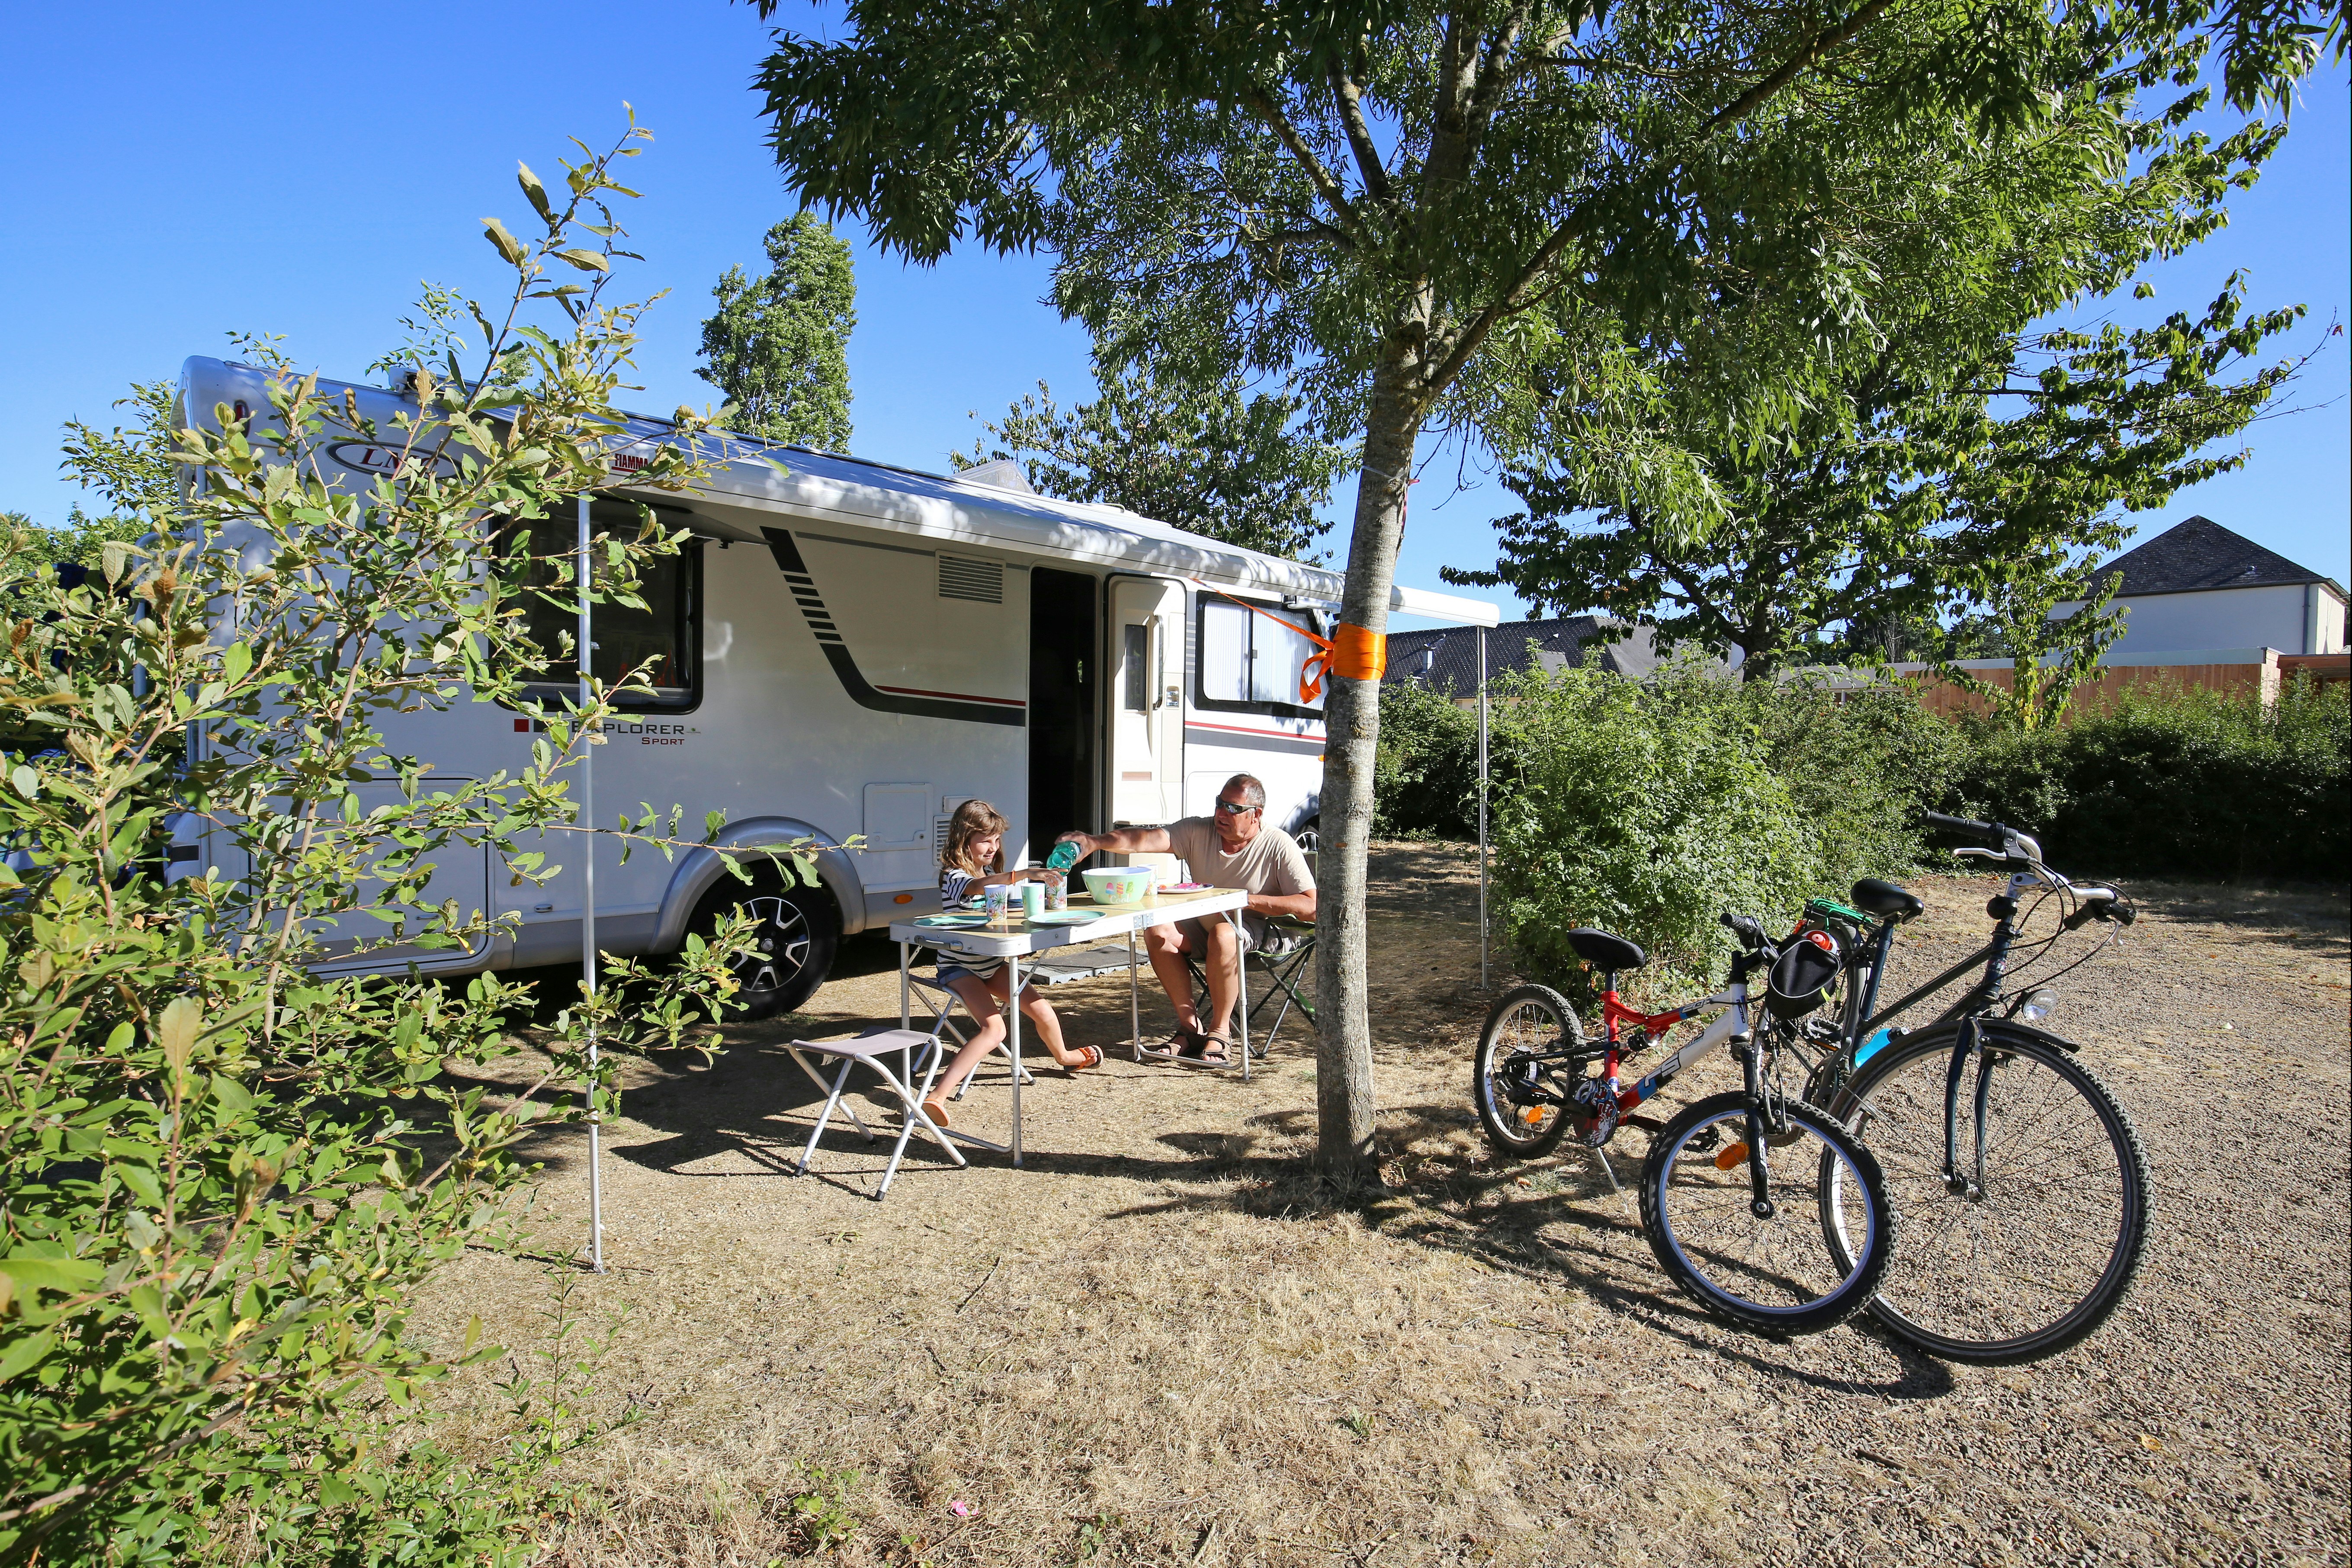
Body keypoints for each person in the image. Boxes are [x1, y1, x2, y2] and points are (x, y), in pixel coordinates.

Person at [1056, 773, 1316, 1067]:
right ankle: (1191, 1028)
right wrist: (1094, 842)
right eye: (1219, 804)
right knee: (1158, 929)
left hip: (1266, 931)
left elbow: (1311, 906)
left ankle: (1220, 1032)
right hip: (1211, 925)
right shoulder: (1198, 829)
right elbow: (1144, 839)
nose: (1221, 813)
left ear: (1256, 814)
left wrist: (1242, 900)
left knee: (1224, 932)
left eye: (1233, 808)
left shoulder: (1279, 845)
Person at [921, 799, 1099, 1129]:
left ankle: (1064, 1056)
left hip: (990, 962)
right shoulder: (953, 875)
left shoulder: (989, 873)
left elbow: (997, 913)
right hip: (959, 967)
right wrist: (1022, 874)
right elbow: (973, 889)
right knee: (995, 1028)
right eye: (985, 839)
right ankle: (936, 1096)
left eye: (997, 839)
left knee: (1043, 1009)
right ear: (964, 839)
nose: (993, 847)